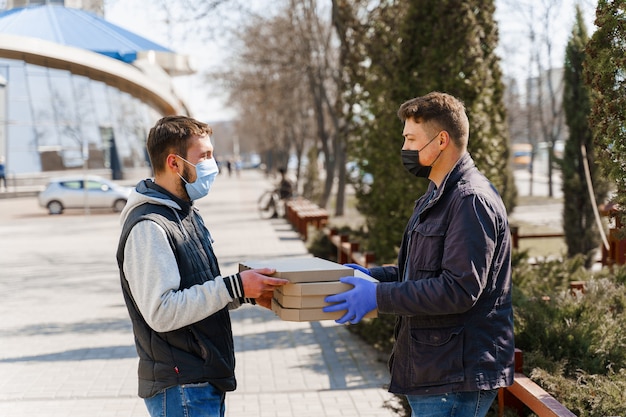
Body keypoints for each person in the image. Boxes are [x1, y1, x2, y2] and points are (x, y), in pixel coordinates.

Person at [324, 92, 515, 417]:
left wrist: (378, 296)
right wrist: (373, 277)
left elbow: (458, 290)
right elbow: (421, 272)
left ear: (441, 140)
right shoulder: (437, 195)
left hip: (456, 378)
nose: (405, 149)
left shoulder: (470, 201)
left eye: (411, 139)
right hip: (437, 373)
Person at [116, 115, 289, 417]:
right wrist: (234, 285)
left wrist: (244, 293)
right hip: (182, 388)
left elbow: (196, 290)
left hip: (200, 382)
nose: (214, 164)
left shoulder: (185, 214)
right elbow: (162, 311)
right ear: (174, 163)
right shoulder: (149, 227)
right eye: (205, 156)